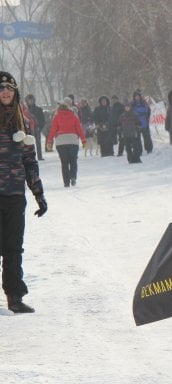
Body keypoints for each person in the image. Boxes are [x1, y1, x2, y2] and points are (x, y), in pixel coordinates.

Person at [0, 71, 47, 313]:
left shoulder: (23, 123)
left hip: (15, 195)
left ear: (15, 92)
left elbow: (30, 162)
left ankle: (15, 298)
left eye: (9, 88)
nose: (5, 92)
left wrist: (39, 194)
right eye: (1, 89)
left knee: (13, 248)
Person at [47, 99, 87, 187]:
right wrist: (83, 140)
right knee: (73, 161)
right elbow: (79, 128)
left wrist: (49, 141)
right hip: (73, 141)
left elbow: (53, 130)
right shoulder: (73, 116)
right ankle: (73, 177)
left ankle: (66, 182)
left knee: (64, 163)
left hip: (61, 142)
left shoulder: (56, 117)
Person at [25, 94, 45, 161]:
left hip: (37, 128)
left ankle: (40, 156)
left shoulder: (38, 109)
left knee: (38, 143)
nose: (30, 102)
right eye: (29, 100)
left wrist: (40, 127)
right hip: (28, 129)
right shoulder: (25, 110)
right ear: (27, 101)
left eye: (32, 100)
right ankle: (30, 157)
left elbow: (42, 119)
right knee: (29, 144)